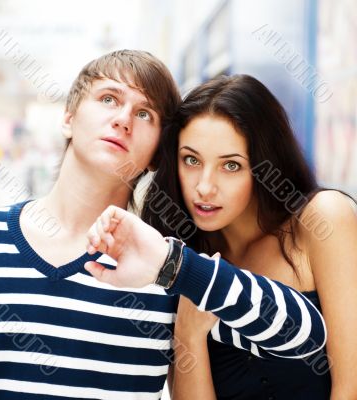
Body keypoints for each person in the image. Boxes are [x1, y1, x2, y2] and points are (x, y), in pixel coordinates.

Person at [85, 75, 357, 399]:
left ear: (263, 166)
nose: (204, 187)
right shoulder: (179, 254)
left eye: (230, 165)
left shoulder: (321, 220)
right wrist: (188, 333)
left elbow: (350, 386)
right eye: (192, 160)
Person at [0, 49, 182, 400]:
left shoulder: (166, 269)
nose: (124, 119)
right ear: (68, 118)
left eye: (144, 113)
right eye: (109, 98)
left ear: (156, 154)